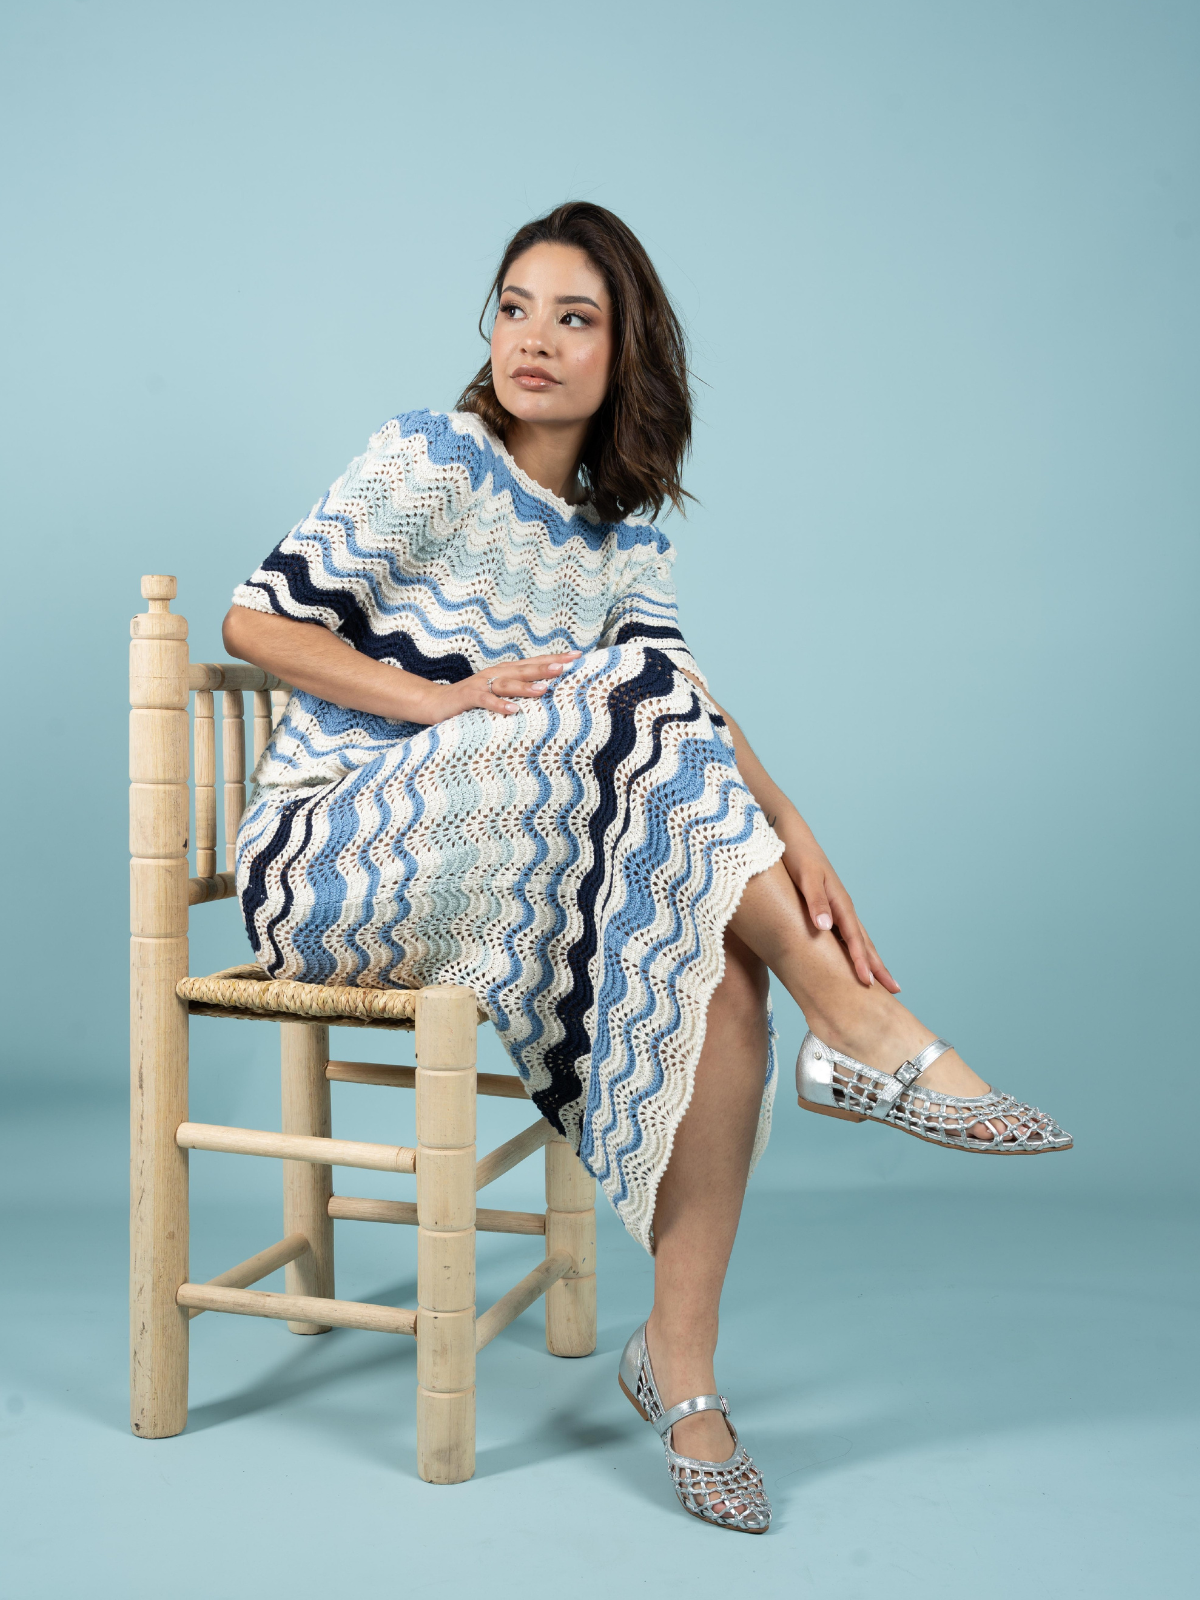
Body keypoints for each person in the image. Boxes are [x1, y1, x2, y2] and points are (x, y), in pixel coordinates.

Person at [223, 201, 1071, 1534]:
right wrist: (437, 699)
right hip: (335, 861)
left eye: (575, 319)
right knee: (634, 700)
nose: (534, 341)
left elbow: (685, 709)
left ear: (626, 352)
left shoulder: (624, 540)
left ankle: (680, 1365)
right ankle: (857, 1027)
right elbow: (255, 622)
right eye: (515, 309)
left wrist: (797, 835)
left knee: (719, 954)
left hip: (503, 856)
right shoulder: (431, 457)